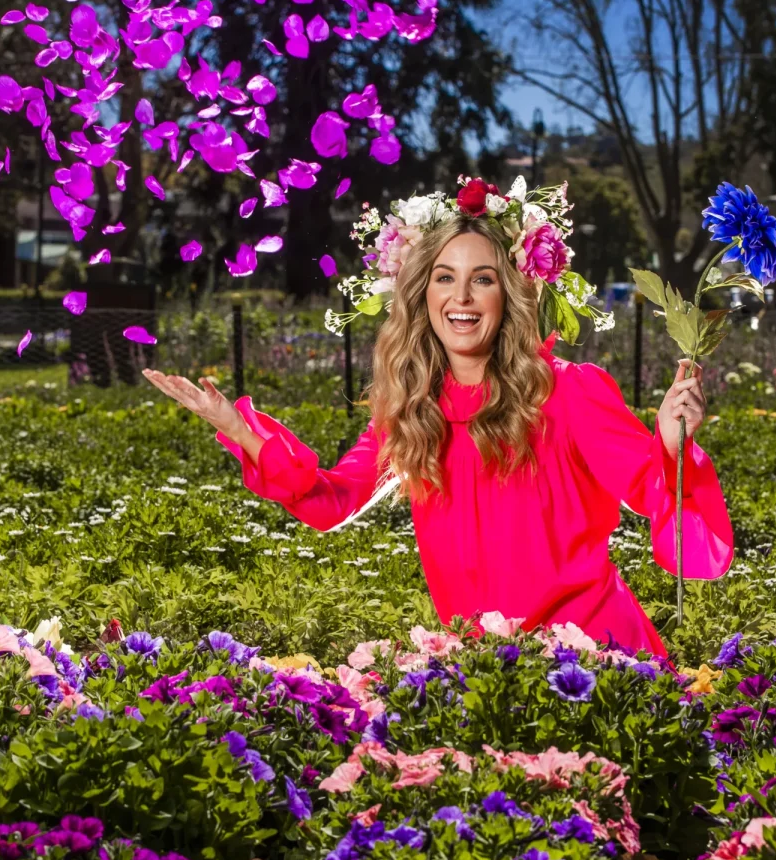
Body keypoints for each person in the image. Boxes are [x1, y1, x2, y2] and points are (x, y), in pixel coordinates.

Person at [143, 185, 733, 659]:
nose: (462, 297)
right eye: (445, 277)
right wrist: (241, 430)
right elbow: (332, 498)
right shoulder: (411, 409)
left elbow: (652, 486)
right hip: (483, 669)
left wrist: (670, 441)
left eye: (483, 279)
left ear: (511, 294)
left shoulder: (568, 391)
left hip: (593, 655)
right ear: (421, 294)